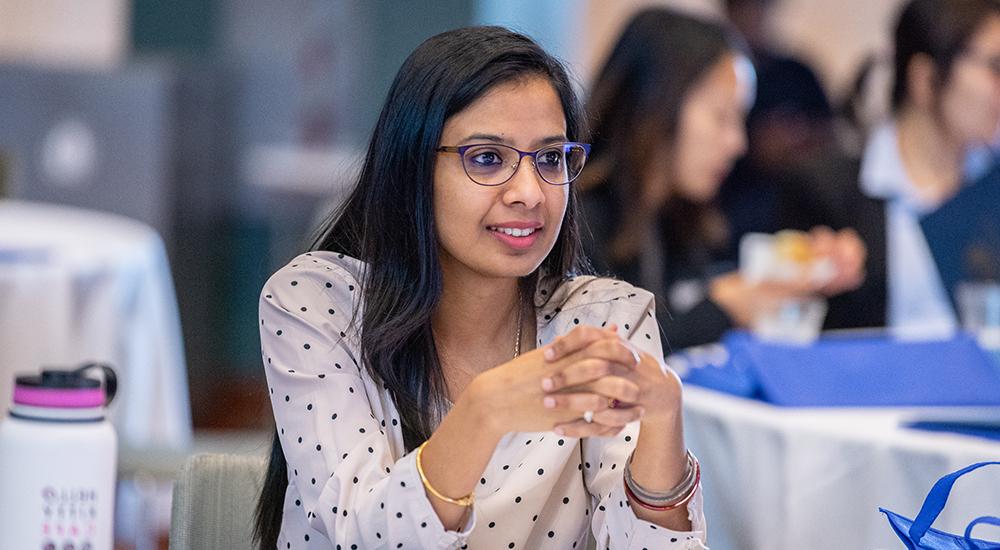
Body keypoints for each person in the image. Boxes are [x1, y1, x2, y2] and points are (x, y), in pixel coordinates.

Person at [253, 26, 708, 550]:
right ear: (413, 166)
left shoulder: (605, 318)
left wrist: (664, 421)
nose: (529, 193)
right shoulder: (316, 303)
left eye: (550, 158)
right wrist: (485, 411)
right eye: (487, 158)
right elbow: (357, 537)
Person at [578, 8, 865, 351]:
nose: (737, 143)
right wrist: (725, 307)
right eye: (721, 117)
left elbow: (718, 295)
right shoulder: (578, 223)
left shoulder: (685, 219)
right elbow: (606, 344)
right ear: (657, 105)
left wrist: (806, 273)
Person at [777, 0, 1000, 335]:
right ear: (925, 77)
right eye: (995, 67)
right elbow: (789, 325)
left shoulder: (990, 185)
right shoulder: (827, 190)